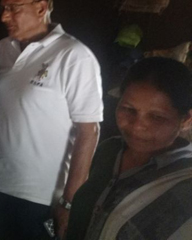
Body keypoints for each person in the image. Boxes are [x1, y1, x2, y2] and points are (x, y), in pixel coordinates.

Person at [0, 0, 103, 239]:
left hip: (39, 196)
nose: (4, 17)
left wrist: (69, 202)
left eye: (13, 8)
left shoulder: (74, 55)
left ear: (41, 8)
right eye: (2, 8)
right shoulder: (3, 48)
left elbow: (88, 131)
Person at [67, 57, 192, 240]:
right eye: (128, 109)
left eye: (157, 117)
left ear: (186, 120)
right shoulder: (109, 149)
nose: (137, 126)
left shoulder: (184, 183)